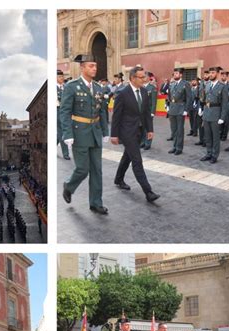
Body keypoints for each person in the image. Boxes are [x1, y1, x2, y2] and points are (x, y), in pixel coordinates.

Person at [60, 54, 110, 215]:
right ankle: (69, 186)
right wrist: (67, 133)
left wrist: (105, 131)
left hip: (95, 132)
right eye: (91, 66)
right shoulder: (72, 86)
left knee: (97, 170)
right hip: (79, 132)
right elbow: (65, 111)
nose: (94, 68)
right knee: (83, 169)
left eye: (95, 66)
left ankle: (96, 202)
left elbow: (102, 111)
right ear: (82, 67)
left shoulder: (98, 87)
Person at [110, 66, 160, 203]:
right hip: (126, 132)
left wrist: (150, 130)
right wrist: (114, 134)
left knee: (128, 156)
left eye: (144, 76)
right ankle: (148, 191)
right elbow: (116, 116)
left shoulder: (144, 92)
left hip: (139, 131)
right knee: (137, 160)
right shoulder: (122, 93)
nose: (144, 79)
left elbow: (146, 113)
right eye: (141, 77)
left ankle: (118, 178)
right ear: (132, 78)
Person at [200, 66, 229, 164]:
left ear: (217, 74)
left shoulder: (222, 86)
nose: (210, 75)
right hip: (207, 112)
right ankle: (208, 153)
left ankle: (214, 155)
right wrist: (202, 110)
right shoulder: (207, 85)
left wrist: (222, 117)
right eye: (210, 73)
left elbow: (225, 103)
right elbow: (204, 99)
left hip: (216, 113)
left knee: (215, 136)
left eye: (213, 73)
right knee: (207, 135)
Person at [167, 67, 192, 155]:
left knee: (180, 130)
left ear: (181, 75)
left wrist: (186, 109)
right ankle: (174, 146)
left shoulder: (185, 84)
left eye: (177, 73)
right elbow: (169, 96)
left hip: (181, 109)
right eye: (174, 73)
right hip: (172, 108)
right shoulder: (172, 84)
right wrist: (168, 105)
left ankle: (179, 148)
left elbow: (189, 98)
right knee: (173, 129)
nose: (175, 75)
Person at [141, 71, 157, 150]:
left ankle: (148, 143)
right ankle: (143, 142)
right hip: (141, 111)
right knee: (142, 127)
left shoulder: (152, 88)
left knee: (148, 128)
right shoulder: (140, 87)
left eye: (145, 76)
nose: (143, 78)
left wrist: (152, 112)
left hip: (148, 112)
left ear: (148, 78)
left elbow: (154, 102)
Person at [57, 69, 70, 160]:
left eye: (62, 76)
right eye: (60, 77)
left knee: (60, 132)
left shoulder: (66, 86)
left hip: (67, 111)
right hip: (58, 111)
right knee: (62, 132)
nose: (62, 78)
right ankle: (66, 153)